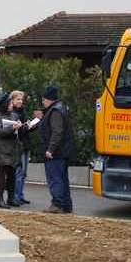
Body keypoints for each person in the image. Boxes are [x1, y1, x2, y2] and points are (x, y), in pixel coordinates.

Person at [40, 85, 75, 214]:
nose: (42, 102)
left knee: (55, 178)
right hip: (63, 152)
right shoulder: (60, 108)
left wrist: (50, 149)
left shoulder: (55, 111)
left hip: (56, 153)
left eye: (43, 100)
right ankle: (66, 205)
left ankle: (57, 204)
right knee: (62, 179)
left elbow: (57, 132)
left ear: (49, 99)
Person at [0, 93, 24, 208]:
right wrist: (12, 128)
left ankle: (10, 198)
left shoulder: (14, 115)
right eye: (10, 103)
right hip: (1, 149)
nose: (11, 105)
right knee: (1, 175)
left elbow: (20, 129)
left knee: (12, 175)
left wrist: (24, 126)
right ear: (4, 105)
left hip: (13, 149)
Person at [11, 90, 37, 205]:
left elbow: (25, 128)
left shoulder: (23, 112)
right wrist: (26, 127)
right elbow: (18, 130)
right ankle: (15, 197)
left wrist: (33, 126)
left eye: (21, 99)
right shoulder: (12, 113)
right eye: (18, 99)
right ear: (12, 100)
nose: (20, 101)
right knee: (18, 173)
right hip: (17, 146)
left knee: (23, 173)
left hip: (25, 145)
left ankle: (20, 195)